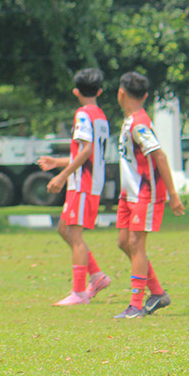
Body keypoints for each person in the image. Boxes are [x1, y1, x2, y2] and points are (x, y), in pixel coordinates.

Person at [112, 71, 185, 319]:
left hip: (146, 193)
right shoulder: (130, 119)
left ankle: (135, 305)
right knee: (124, 242)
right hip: (129, 194)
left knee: (136, 244)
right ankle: (157, 292)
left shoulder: (139, 124)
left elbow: (160, 156)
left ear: (121, 93)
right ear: (144, 95)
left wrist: (173, 195)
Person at [37, 68, 111, 306]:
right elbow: (86, 154)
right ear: (99, 91)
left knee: (75, 236)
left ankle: (79, 293)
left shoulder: (82, 114)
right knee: (63, 229)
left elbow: (86, 150)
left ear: (76, 92)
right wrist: (57, 162)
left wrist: (61, 176)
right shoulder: (100, 115)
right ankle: (97, 276)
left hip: (82, 184)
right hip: (89, 181)